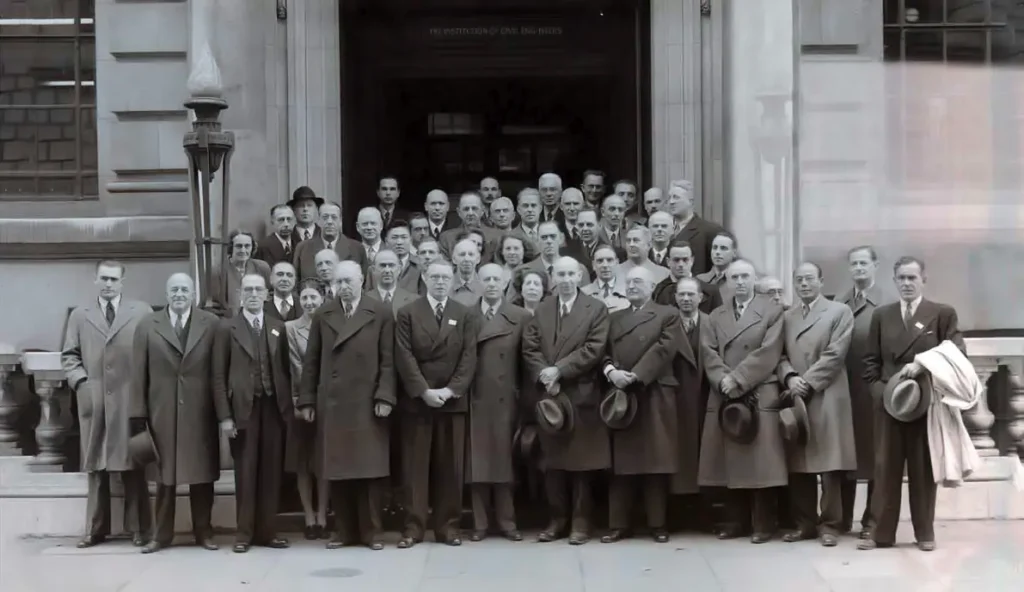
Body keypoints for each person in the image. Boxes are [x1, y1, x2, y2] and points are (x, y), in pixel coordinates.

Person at [859, 256, 964, 552]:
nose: (906, 284)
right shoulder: (883, 315)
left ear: (923, 280)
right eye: (901, 278)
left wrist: (923, 365)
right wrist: (881, 394)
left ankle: (925, 533)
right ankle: (881, 534)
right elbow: (871, 363)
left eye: (912, 278)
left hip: (924, 404)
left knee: (922, 470)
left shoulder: (941, 314)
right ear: (894, 281)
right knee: (885, 469)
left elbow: (956, 354)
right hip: (890, 404)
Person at [298, 261, 396, 550]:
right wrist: (307, 400)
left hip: (368, 402)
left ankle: (372, 533)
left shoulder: (379, 311)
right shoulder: (323, 314)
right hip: (333, 403)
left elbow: (389, 360)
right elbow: (311, 361)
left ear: (362, 280)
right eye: (338, 282)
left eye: (348, 281)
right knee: (338, 470)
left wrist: (385, 396)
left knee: (368, 470)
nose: (342, 287)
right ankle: (343, 531)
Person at [61, 260, 153, 548]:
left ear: (123, 281)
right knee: (96, 467)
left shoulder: (141, 312)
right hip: (96, 397)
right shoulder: (80, 315)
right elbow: (69, 356)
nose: (109, 284)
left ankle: (139, 528)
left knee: (132, 464)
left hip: (130, 397)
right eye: (104, 278)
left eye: (114, 279)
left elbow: (153, 352)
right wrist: (81, 383)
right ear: (95, 279)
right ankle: (95, 529)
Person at [523, 256, 611, 545]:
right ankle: (557, 519)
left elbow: (594, 349)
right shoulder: (543, 309)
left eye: (571, 273)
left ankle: (581, 522)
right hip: (550, 396)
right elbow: (530, 347)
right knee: (553, 465)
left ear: (580, 276)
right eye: (560, 274)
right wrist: (545, 375)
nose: (565, 279)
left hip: (581, 394)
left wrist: (559, 370)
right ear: (553, 278)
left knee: (582, 466)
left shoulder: (595, 309)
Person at [130, 273, 220, 554]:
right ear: (166, 294)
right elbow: (138, 373)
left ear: (193, 293)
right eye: (174, 290)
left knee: (202, 476)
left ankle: (204, 532)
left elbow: (218, 372)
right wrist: (138, 414)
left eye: (184, 289)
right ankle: (161, 535)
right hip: (162, 412)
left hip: (200, 412)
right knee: (165, 478)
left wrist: (222, 413)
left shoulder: (211, 323)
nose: (179, 294)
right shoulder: (147, 325)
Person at [699, 259, 787, 543]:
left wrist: (738, 378)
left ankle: (763, 524)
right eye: (734, 277)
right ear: (727, 281)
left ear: (754, 279)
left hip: (757, 390)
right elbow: (708, 352)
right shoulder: (715, 316)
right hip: (724, 391)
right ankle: (734, 521)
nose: (739, 281)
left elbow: (769, 351)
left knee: (760, 464)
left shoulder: (771, 311)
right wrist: (723, 379)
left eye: (745, 276)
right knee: (729, 463)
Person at [394, 261, 479, 548]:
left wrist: (452, 389)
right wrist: (423, 391)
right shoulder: (408, 313)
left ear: (452, 280)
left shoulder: (464, 314)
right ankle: (414, 527)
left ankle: (448, 527)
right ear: (425, 279)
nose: (440, 282)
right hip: (418, 402)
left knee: (449, 468)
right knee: (415, 469)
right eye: (435, 277)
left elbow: (469, 356)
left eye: (445, 277)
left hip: (452, 402)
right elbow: (404, 356)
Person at [777, 262, 857, 547]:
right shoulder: (787, 317)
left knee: (830, 463)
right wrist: (789, 378)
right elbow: (779, 354)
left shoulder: (839, 312)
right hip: (796, 394)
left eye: (810, 279)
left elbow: (836, 354)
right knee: (799, 461)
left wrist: (807, 381)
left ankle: (831, 525)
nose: (804, 284)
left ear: (821, 281)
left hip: (828, 393)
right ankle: (804, 523)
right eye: (799, 280)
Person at [601, 267, 682, 543]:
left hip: (653, 392)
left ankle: (658, 524)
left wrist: (636, 375)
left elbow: (664, 349)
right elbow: (604, 352)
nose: (633, 286)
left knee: (655, 463)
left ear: (651, 286)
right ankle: (618, 524)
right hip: (621, 394)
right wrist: (611, 371)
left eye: (639, 281)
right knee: (621, 466)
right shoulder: (614, 318)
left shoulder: (667, 314)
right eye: (629, 281)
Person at [213, 274, 292, 553]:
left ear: (267, 294)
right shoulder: (227, 328)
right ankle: (243, 534)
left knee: (271, 472)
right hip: (242, 409)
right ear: (239, 293)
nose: (254, 294)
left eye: (259, 289)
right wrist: (224, 417)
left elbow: (284, 371)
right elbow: (218, 376)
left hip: (273, 408)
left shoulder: (277, 327)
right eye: (249, 289)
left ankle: (267, 532)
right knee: (245, 473)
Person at [466, 263, 530, 542]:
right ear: (477, 283)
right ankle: (480, 523)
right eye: (486, 279)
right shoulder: (466, 316)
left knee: (505, 464)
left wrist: (523, 398)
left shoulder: (520, 316)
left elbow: (526, 363)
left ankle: (507, 521)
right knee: (477, 464)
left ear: (505, 284)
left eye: (496, 279)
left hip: (506, 399)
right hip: (475, 398)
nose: (491, 283)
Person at [836, 245, 893, 538]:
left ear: (875, 265)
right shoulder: (840, 302)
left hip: (872, 390)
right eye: (854, 263)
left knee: (874, 456)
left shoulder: (887, 303)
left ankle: (872, 520)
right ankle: (842, 519)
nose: (858, 268)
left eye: (864, 263)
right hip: (844, 390)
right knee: (846, 453)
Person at [284, 279, 329, 539]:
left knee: (324, 460)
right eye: (305, 298)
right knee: (303, 462)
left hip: (327, 402)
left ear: (323, 298)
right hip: (301, 401)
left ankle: (323, 514)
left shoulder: (330, 325)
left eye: (314, 297)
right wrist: (302, 401)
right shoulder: (291, 328)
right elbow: (295, 366)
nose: (310, 302)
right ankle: (309, 515)